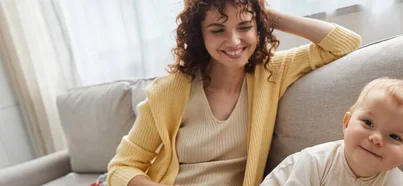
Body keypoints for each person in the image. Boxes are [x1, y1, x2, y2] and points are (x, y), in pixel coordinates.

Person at [106, 0, 361, 185]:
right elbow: (122, 167)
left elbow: (345, 43)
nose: (235, 41)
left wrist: (262, 13)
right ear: (200, 35)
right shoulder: (168, 91)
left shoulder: (272, 72)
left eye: (244, 27)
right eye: (218, 30)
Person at [261, 77, 403, 186]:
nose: (376, 138)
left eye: (394, 136)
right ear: (347, 123)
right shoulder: (315, 161)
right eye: (368, 122)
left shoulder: (399, 183)